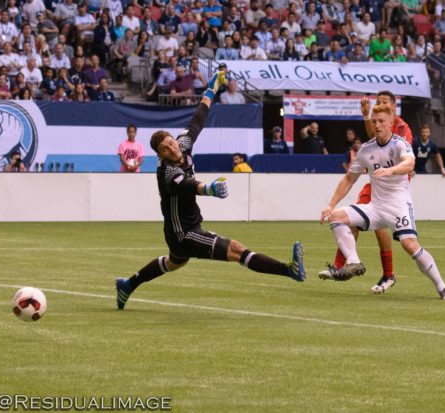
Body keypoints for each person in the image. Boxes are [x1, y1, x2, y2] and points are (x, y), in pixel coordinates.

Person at [115, 72, 306, 310]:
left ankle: (128, 285)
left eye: (172, 143)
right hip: (183, 234)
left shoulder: (182, 144)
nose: (172, 149)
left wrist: (210, 90)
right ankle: (290, 270)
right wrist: (210, 189)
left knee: (173, 263)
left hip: (185, 228)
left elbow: (197, 120)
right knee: (236, 250)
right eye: (165, 149)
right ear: (160, 155)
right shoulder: (167, 171)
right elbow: (187, 185)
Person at [319, 103, 445, 300]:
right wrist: (331, 204)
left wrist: (389, 170)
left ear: (391, 123)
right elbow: (349, 178)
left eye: (382, 121)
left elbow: (410, 163)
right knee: (335, 216)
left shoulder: (399, 144)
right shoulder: (366, 149)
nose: (378, 125)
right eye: (374, 121)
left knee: (410, 245)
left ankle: (441, 286)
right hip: (376, 207)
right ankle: (353, 261)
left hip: (398, 207)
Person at [321, 90, 413, 293]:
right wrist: (366, 117)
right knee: (352, 217)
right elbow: (374, 138)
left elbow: (400, 155)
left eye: (384, 102)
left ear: (393, 107)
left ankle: (388, 274)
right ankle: (342, 265)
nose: (379, 105)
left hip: (393, 187)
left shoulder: (402, 128)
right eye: (377, 102)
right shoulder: (379, 123)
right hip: (376, 182)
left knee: (389, 232)